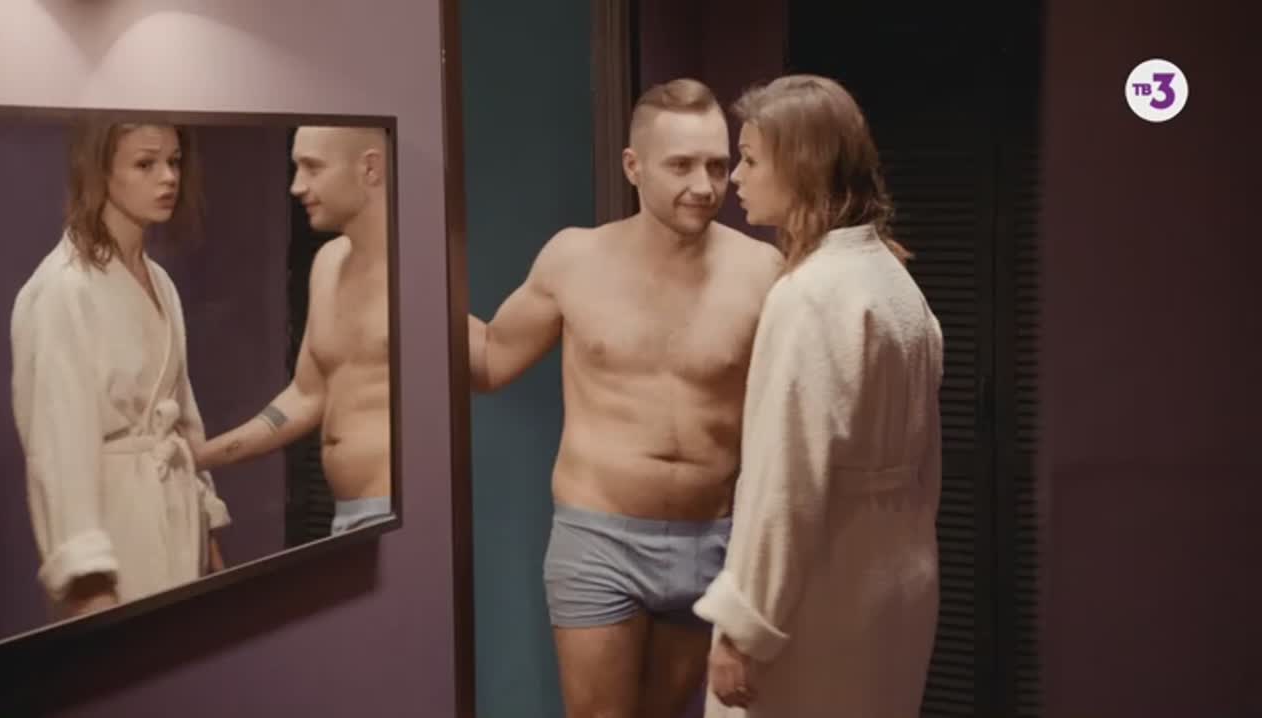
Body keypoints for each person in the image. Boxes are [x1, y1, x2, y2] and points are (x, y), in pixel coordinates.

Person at [469, 78, 783, 717]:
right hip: (599, 539)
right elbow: (491, 360)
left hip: (714, 539)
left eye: (716, 165)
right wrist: (407, 275)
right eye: (681, 165)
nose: (705, 185)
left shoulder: (764, 271)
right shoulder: (574, 259)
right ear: (633, 166)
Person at [692, 74, 944, 717]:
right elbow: (927, 474)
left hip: (822, 601)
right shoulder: (896, 285)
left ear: (800, 166)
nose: (736, 178)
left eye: (750, 160)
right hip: (898, 589)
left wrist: (743, 627)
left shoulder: (809, 296)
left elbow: (784, 481)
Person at [10, 120, 230, 619]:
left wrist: (207, 521)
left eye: (174, 161)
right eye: (145, 163)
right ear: (99, 171)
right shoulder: (62, 291)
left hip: (177, 520)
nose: (168, 177)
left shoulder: (161, 281)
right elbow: (57, 451)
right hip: (115, 530)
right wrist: (88, 580)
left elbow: (183, 417)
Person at [192, 125, 393, 536]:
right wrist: (201, 456)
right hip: (344, 516)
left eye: (312, 168)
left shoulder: (418, 270)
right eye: (296, 168)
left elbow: (489, 359)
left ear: (370, 169)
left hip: (396, 512)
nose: (297, 186)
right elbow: (307, 395)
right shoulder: (327, 263)